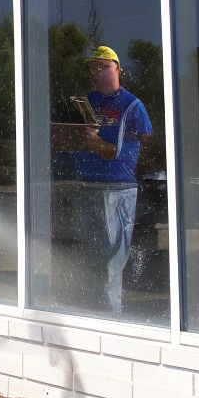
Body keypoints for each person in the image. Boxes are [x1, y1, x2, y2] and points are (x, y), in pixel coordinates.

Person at [70, 45, 152, 315]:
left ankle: (110, 314)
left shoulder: (131, 104)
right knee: (88, 252)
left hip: (118, 186)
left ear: (117, 69)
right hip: (89, 183)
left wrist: (120, 158)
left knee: (112, 255)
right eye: (94, 66)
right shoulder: (89, 101)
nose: (97, 71)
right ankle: (90, 308)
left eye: (104, 66)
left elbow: (147, 142)